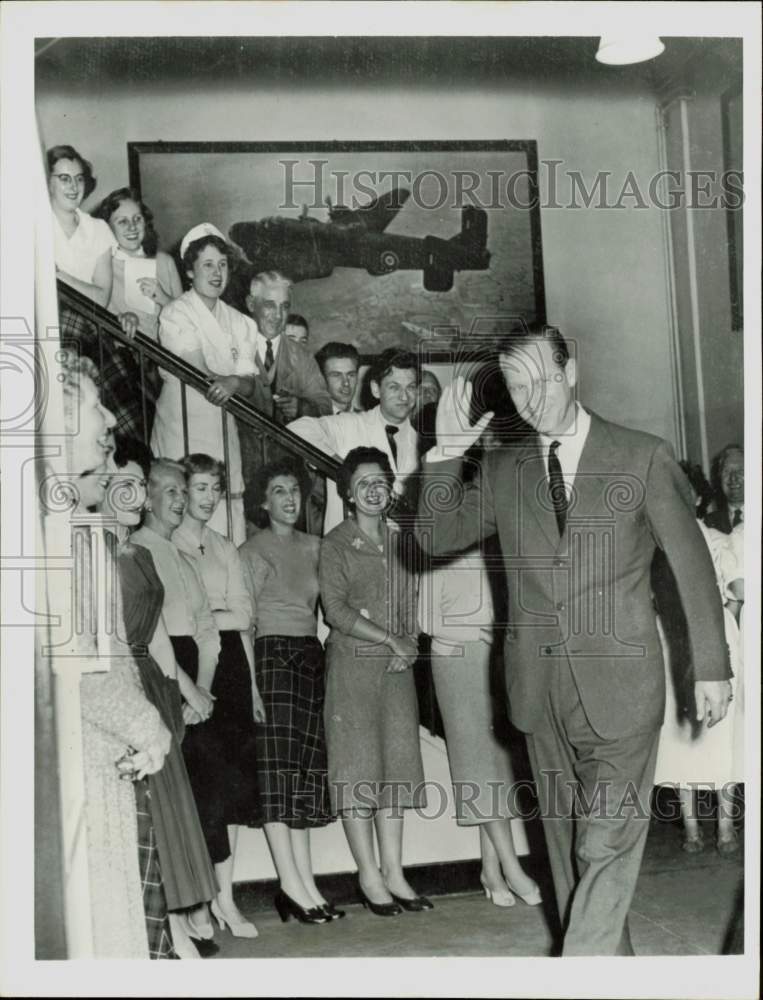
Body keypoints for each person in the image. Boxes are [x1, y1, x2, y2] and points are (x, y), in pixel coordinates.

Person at [416, 327, 732, 956]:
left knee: (604, 841)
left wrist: (711, 667)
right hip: (537, 688)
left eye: (538, 380)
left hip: (623, 684)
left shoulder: (640, 454)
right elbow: (433, 537)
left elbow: (691, 561)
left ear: (571, 373)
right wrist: (443, 454)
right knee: (565, 849)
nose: (528, 398)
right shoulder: (506, 466)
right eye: (514, 387)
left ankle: (579, 972)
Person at [59, 351, 172, 958]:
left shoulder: (77, 524)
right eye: (93, 407)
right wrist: (143, 722)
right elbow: (68, 671)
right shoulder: (60, 534)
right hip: (80, 764)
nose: (110, 420)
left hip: (104, 754)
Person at [100, 436, 219, 959]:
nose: (129, 495)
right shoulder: (102, 549)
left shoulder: (137, 550)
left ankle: (175, 927)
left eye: (134, 486)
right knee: (152, 811)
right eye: (118, 484)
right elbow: (126, 637)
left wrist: (181, 688)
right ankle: (164, 931)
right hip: (125, 681)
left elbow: (161, 634)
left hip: (156, 679)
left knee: (170, 809)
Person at [132, 459, 247, 942]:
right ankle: (178, 920)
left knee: (205, 794)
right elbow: (153, 637)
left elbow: (208, 630)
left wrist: (202, 693)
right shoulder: (137, 551)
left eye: (185, 492)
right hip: (157, 677)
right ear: (147, 497)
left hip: (194, 681)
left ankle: (202, 904)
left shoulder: (182, 555)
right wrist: (187, 691)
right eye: (171, 492)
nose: (180, 501)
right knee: (166, 801)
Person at [319, 448, 431, 916]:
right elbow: (336, 611)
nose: (372, 489)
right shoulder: (336, 543)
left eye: (380, 481)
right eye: (362, 482)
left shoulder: (402, 541)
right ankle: (368, 875)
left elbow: (412, 603)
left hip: (396, 671)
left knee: (396, 772)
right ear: (347, 491)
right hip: (353, 669)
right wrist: (391, 639)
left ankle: (395, 871)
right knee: (359, 771)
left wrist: (408, 644)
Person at [418, 535, 542, 907]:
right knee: (476, 764)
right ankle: (511, 867)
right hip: (455, 661)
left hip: (493, 661)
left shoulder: (495, 545)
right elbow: (427, 621)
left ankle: (490, 871)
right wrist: (480, 632)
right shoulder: (435, 549)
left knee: (496, 767)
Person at [173, 453, 266, 937]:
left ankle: (227, 899)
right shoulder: (169, 546)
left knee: (231, 788)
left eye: (214, 489)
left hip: (230, 669)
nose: (207, 499)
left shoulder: (225, 547)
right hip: (187, 666)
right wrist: (216, 612)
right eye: (199, 489)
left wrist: (251, 686)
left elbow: (245, 619)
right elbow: (181, 620)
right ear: (181, 492)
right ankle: (199, 901)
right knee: (199, 786)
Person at [238, 461, 335, 925]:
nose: (289, 499)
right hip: (271, 657)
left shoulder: (316, 546)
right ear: (263, 501)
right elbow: (244, 622)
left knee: (304, 773)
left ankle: (306, 883)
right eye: (278, 491)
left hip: (309, 655)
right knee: (278, 774)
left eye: (294, 490)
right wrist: (252, 686)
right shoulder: (252, 550)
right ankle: (290, 886)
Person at [151, 223, 259, 545]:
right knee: (182, 515)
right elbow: (200, 375)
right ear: (189, 271)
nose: (217, 273)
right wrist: (232, 380)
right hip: (182, 428)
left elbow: (250, 386)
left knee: (226, 519)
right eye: (208, 265)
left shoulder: (241, 322)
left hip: (222, 430)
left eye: (223, 264)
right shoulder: (175, 314)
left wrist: (235, 381)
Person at [654, 500, 744, 857]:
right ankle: (691, 827)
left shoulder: (718, 539)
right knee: (679, 735)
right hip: (670, 637)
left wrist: (725, 621)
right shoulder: (654, 541)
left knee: (721, 733)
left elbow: (737, 589)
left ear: (693, 497)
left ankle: (725, 825)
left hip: (714, 636)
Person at [49, 145, 149, 441]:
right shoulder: (33, 225)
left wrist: (55, 274)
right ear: (48, 182)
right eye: (64, 178)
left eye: (79, 179)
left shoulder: (98, 230)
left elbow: (101, 299)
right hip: (47, 335)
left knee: (122, 426)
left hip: (88, 333)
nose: (74, 186)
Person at [290, 347, 420, 531]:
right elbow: (296, 430)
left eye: (411, 387)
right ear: (376, 389)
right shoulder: (348, 424)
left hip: (399, 553)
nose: (404, 396)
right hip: (348, 552)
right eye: (394, 387)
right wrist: (341, 467)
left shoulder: (424, 443)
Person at [239, 272, 332, 526]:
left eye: (285, 307)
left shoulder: (301, 357)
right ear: (250, 304)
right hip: (240, 474)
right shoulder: (231, 346)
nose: (278, 315)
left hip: (290, 480)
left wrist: (302, 408)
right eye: (269, 305)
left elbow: (325, 407)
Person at [93, 187, 183, 341]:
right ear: (107, 228)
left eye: (137, 219)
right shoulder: (102, 267)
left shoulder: (165, 262)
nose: (132, 227)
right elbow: (97, 317)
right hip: (130, 357)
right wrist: (121, 318)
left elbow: (187, 318)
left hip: (171, 356)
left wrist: (164, 299)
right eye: (122, 222)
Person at [705, 444, 744, 533]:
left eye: (741, 471)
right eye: (727, 471)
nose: (733, 477)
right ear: (719, 476)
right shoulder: (708, 524)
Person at [314, 342, 361, 414]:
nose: (346, 383)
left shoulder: (367, 420)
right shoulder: (312, 421)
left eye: (351, 375)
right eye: (336, 375)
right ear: (322, 379)